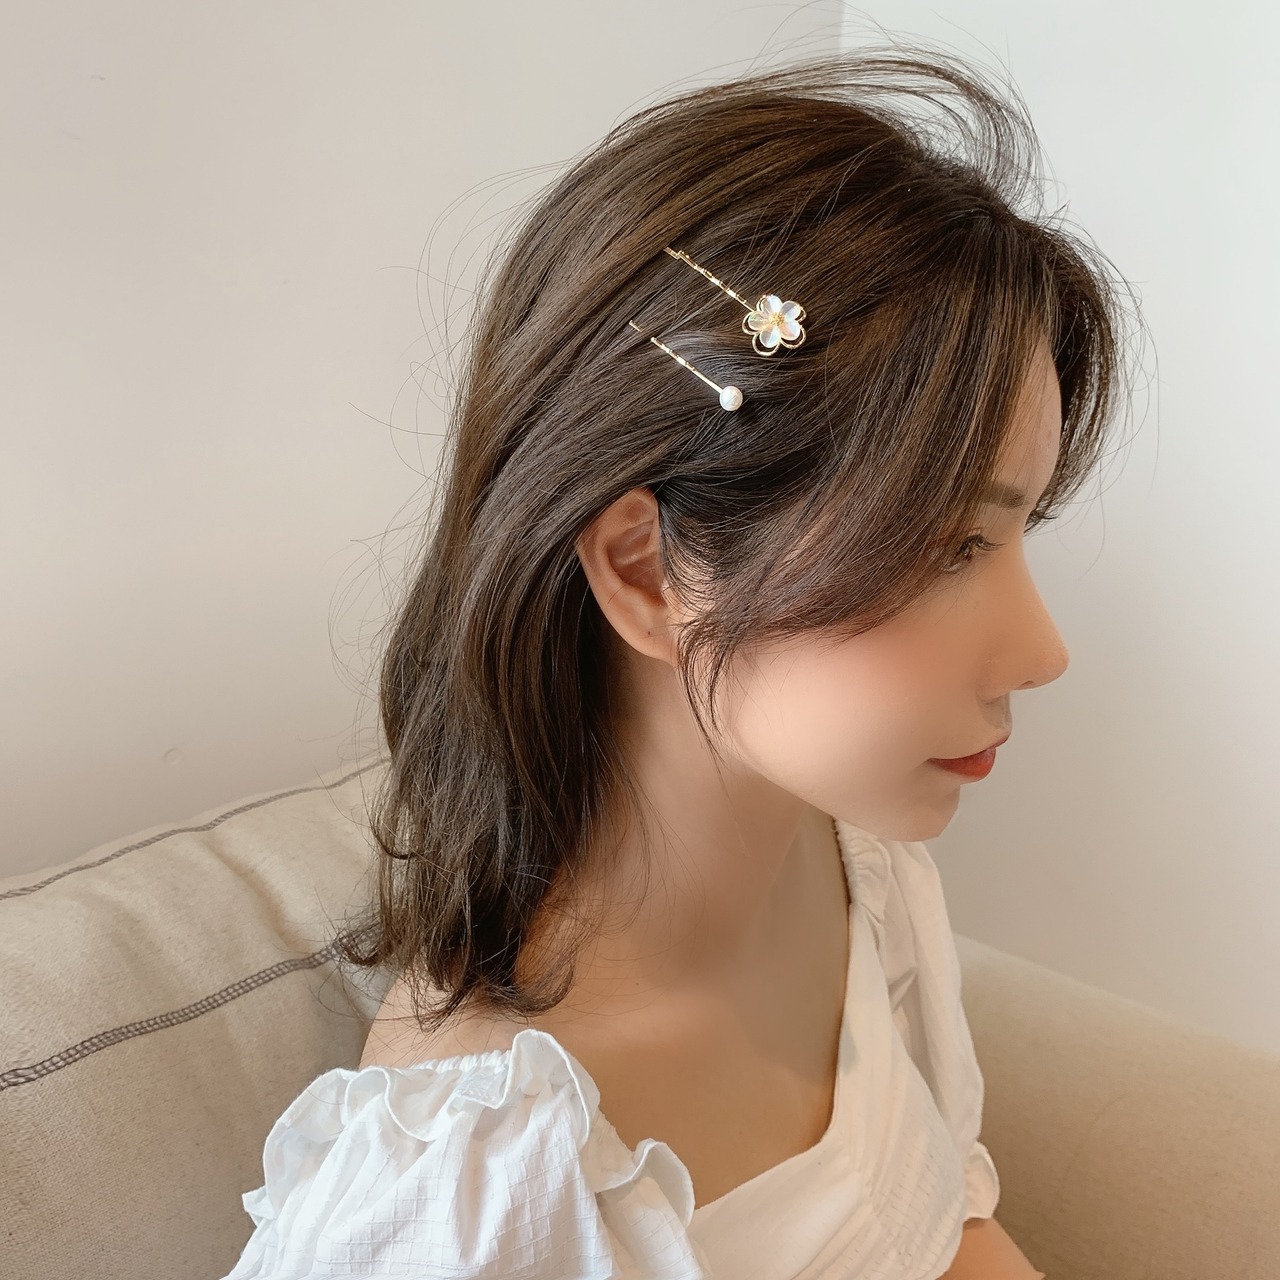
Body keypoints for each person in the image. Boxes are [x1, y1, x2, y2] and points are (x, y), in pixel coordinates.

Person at [220, 38, 1136, 1280]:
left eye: (1020, 530)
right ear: (645, 571)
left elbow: (939, 1220)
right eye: (947, 545)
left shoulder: (851, 865)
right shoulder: (483, 1182)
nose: (1042, 649)